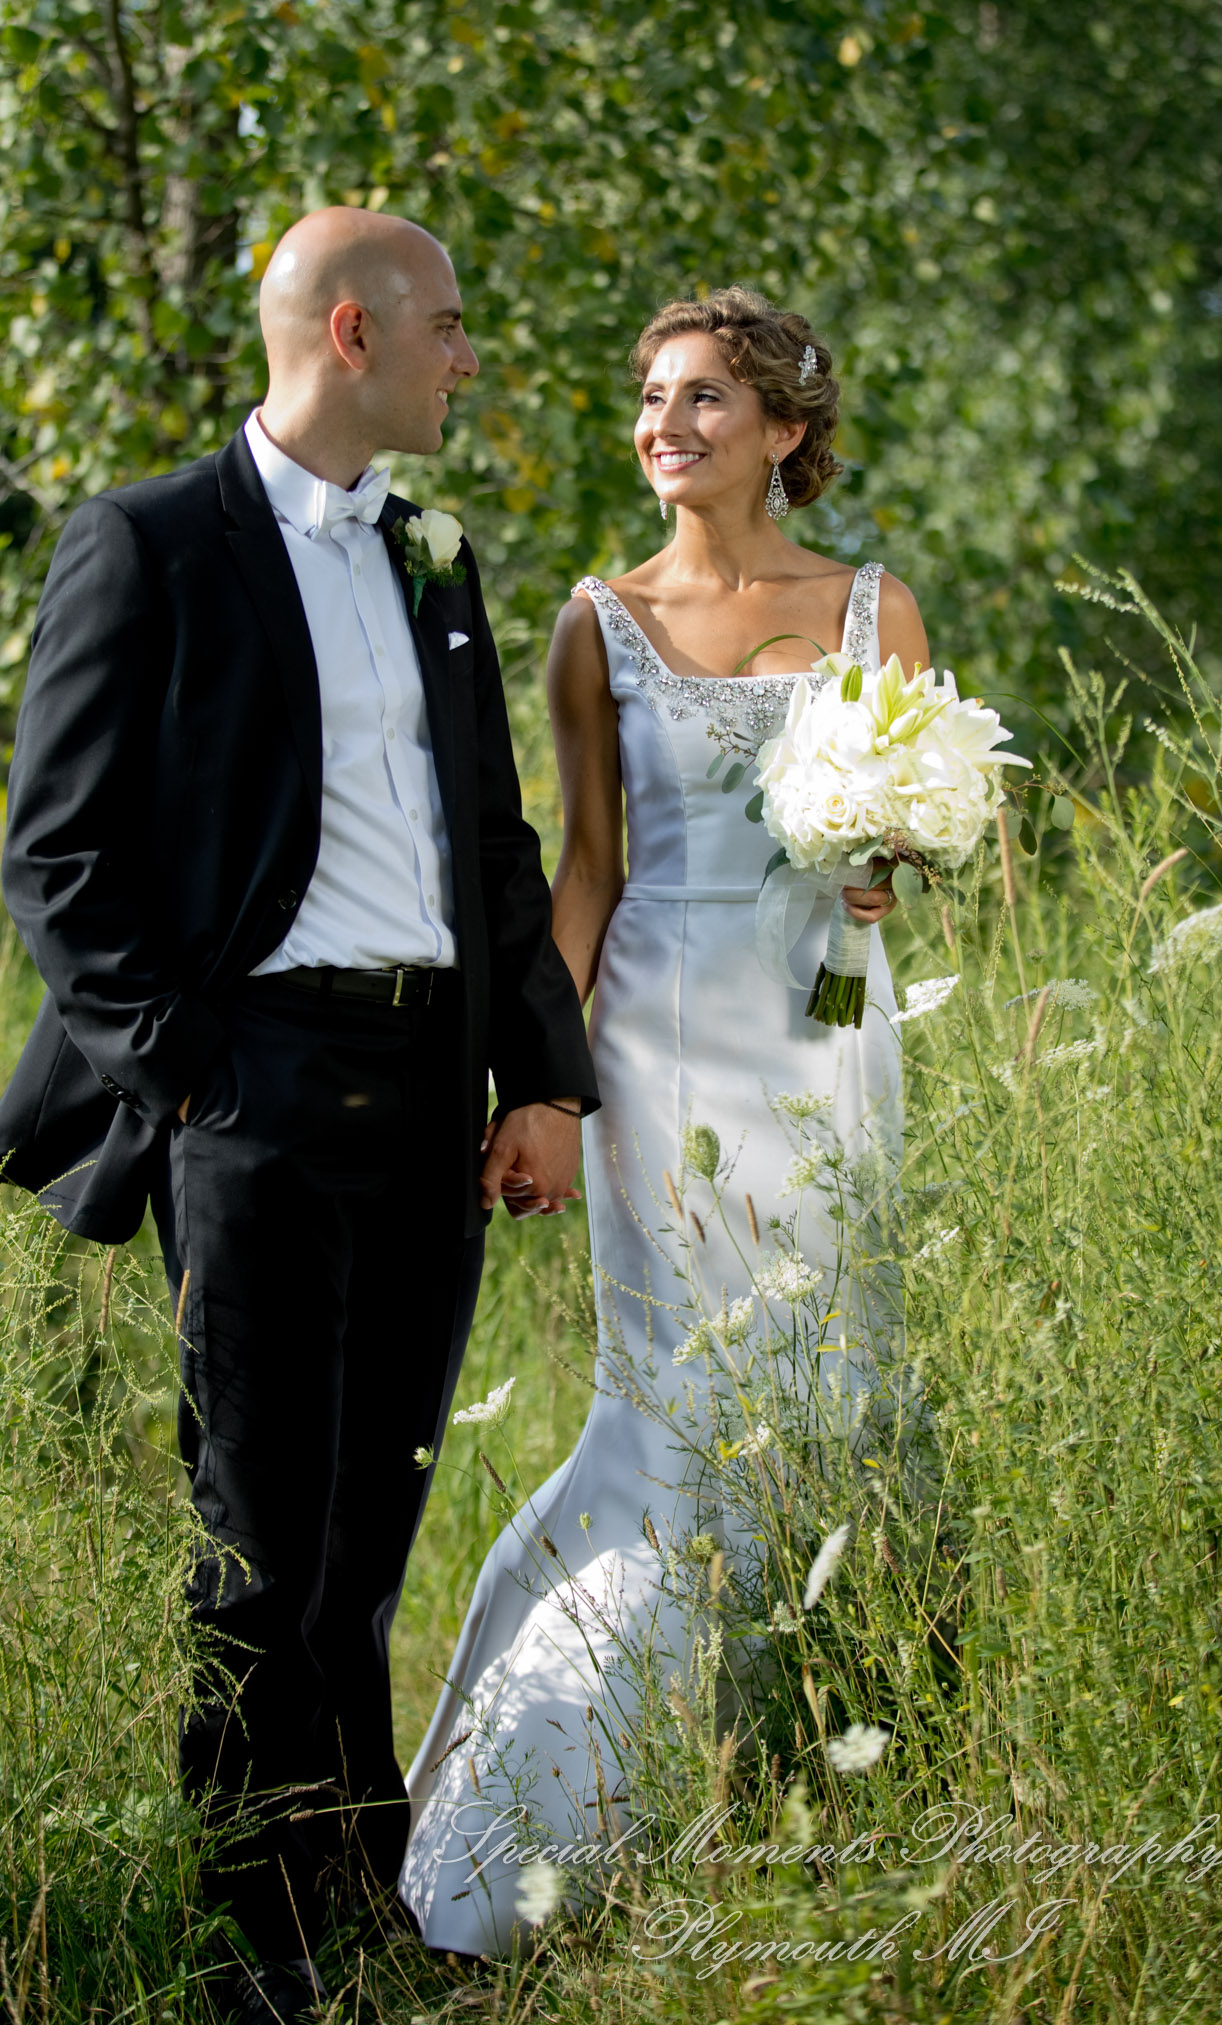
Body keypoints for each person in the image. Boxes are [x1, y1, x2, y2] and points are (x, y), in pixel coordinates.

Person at [0, 207, 598, 2017]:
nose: (470, 356)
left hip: (423, 1093)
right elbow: (57, 853)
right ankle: (256, 1943)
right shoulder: (149, 544)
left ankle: (359, 1901)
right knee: (261, 1532)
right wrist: (188, 1070)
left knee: (371, 1523)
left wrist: (539, 1072)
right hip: (251, 1095)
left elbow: (490, 836)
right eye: (451, 327)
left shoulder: (431, 554)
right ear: (352, 331)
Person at [401, 287, 927, 1955]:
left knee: (835, 1384)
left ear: (783, 429)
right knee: (677, 1405)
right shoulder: (593, 621)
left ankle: (805, 1769)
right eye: (649, 397)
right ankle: (534, 1833)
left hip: (826, 1037)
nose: (664, 425)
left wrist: (886, 862)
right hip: (653, 1049)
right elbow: (590, 870)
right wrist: (538, 1085)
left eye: (704, 398)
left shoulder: (872, 609)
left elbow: (915, 841)